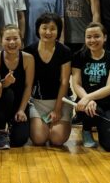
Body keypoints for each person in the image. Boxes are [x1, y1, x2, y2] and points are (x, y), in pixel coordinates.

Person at [24, 13, 73, 147]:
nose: (48, 32)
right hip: (38, 102)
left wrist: (57, 109)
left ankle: (63, 121)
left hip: (61, 101)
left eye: (53, 28)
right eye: (44, 28)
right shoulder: (29, 51)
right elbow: (28, 83)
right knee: (39, 139)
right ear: (38, 29)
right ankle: (41, 125)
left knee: (57, 140)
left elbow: (64, 82)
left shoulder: (65, 51)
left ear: (58, 31)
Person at [71, 23, 110, 152]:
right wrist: (86, 100)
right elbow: (76, 84)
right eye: (89, 37)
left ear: (104, 37)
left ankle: (101, 127)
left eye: (97, 36)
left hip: (107, 104)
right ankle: (86, 130)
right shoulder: (79, 56)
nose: (92, 40)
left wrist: (89, 97)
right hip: (84, 104)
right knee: (90, 109)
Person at [0, 24, 34, 149]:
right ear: (1, 41)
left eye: (15, 38)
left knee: (19, 141)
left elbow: (28, 86)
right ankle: (1, 130)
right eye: (7, 39)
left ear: (21, 40)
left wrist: (21, 110)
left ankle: (13, 123)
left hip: (19, 104)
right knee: (7, 93)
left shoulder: (28, 59)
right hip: (0, 103)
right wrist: (5, 83)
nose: (12, 42)